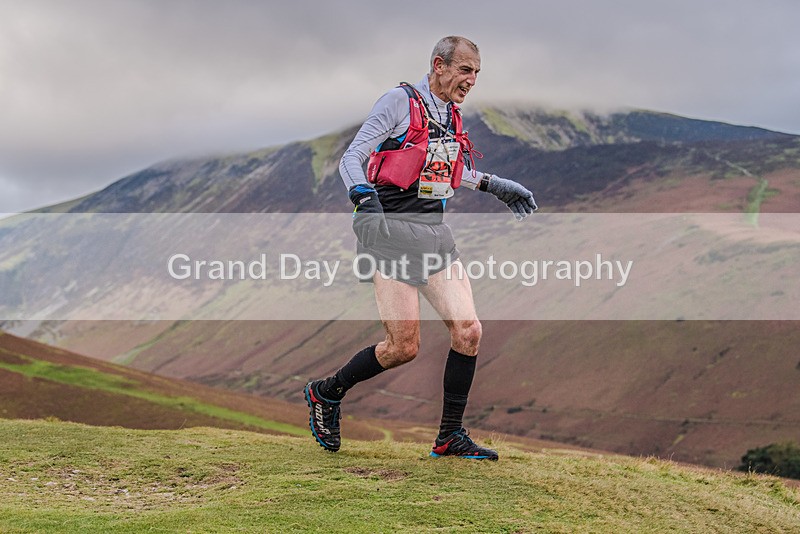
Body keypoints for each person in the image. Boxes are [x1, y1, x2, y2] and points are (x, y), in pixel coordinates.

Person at [304, 36, 537, 461]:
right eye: (466, 70)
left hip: (433, 233)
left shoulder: (450, 113)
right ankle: (326, 393)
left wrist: (494, 185)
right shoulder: (398, 102)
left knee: (469, 331)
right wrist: (362, 196)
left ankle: (450, 436)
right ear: (439, 65)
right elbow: (352, 157)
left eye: (477, 74)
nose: (472, 80)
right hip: (389, 233)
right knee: (402, 347)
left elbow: (447, 165)